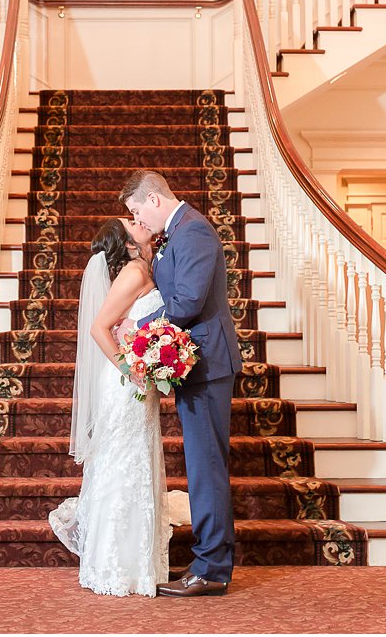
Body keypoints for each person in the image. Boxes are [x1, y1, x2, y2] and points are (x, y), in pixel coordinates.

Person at [47, 217, 189, 596]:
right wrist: (133, 368)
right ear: (128, 244)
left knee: (137, 461)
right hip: (124, 383)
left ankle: (138, 563)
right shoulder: (134, 271)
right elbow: (99, 328)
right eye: (132, 222)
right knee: (122, 462)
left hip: (135, 381)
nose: (139, 221)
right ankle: (114, 564)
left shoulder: (146, 266)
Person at [118, 168, 241, 597]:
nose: (139, 223)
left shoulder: (193, 232)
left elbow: (186, 302)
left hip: (208, 365)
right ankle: (207, 560)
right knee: (201, 465)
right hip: (195, 364)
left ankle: (212, 567)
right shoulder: (177, 232)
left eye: (138, 212)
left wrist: (139, 324)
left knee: (206, 468)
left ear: (153, 199)